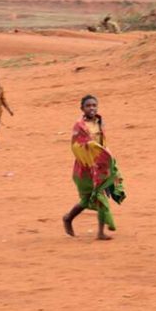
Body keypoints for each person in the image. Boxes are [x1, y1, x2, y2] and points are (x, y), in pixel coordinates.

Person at [62, 95, 126, 240]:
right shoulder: (79, 126)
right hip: (85, 167)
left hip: (100, 166)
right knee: (88, 198)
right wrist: (91, 148)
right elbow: (76, 146)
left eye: (94, 105)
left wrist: (107, 157)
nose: (92, 108)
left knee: (98, 196)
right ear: (82, 109)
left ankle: (96, 230)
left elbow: (102, 143)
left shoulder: (100, 122)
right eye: (88, 106)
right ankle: (69, 218)